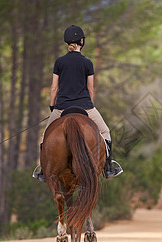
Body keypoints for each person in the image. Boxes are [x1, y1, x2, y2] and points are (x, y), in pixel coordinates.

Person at [36, 25, 123, 181]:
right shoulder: (87, 63)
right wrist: (90, 105)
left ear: (67, 42)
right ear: (82, 41)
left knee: (45, 137)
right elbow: (90, 89)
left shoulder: (59, 62)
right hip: (85, 107)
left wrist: (52, 107)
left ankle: (43, 170)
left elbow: (54, 87)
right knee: (105, 132)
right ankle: (108, 168)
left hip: (61, 108)